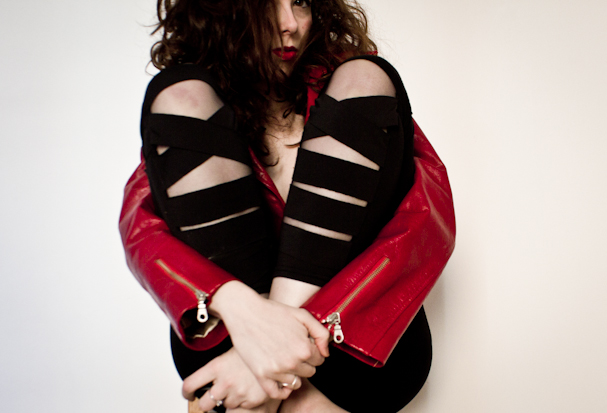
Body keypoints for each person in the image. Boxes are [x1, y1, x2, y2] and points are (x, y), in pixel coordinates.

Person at [119, 0, 456, 412]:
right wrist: (237, 306)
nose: (289, 23)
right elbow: (143, 233)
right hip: (229, 338)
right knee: (179, 95)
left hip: (354, 346)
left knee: (366, 77)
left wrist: (261, 362)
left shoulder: (361, 96)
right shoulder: (187, 113)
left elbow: (425, 223)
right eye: (266, 4)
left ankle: (262, 383)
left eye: (300, 2)